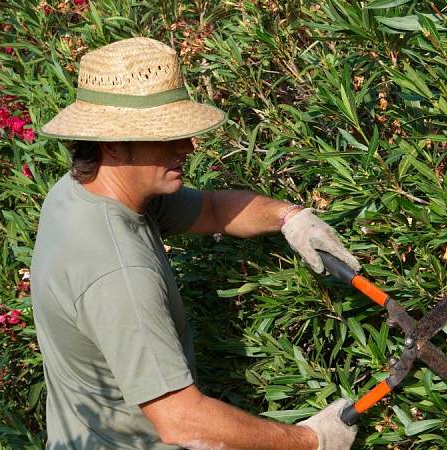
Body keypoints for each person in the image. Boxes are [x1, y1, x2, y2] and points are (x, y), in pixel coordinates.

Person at [32, 37, 358, 449]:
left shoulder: (82, 192)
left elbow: (212, 210)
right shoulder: (119, 274)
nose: (188, 147)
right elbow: (182, 420)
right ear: (111, 143)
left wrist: (291, 218)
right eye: (167, 136)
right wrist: (311, 440)